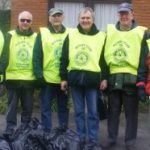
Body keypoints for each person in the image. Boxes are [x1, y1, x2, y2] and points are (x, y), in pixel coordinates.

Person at [102, 2, 148, 150]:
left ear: (132, 14)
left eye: (126, 13)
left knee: (131, 114)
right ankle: (111, 138)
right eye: (121, 13)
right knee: (112, 112)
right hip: (113, 79)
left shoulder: (142, 33)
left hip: (132, 80)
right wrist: (104, 77)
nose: (124, 16)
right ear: (118, 15)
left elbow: (144, 60)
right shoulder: (109, 32)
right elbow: (103, 57)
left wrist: (142, 82)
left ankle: (130, 142)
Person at [60, 7, 107, 150]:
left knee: (93, 112)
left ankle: (92, 140)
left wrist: (104, 78)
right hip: (75, 80)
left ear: (93, 20)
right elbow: (64, 57)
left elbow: (104, 60)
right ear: (79, 19)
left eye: (88, 18)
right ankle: (80, 139)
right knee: (79, 112)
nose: (85, 20)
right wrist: (63, 78)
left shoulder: (101, 36)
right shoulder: (71, 35)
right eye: (82, 18)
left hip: (93, 81)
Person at [0, 11, 37, 136]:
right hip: (13, 78)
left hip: (29, 78)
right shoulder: (9, 35)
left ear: (31, 22)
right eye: (22, 20)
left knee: (28, 107)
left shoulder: (37, 37)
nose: (25, 22)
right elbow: (4, 56)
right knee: (12, 107)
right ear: (18, 20)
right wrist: (1, 73)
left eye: (28, 20)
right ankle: (10, 129)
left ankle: (25, 130)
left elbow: (39, 57)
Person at [33, 8, 69, 133]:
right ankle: (47, 133)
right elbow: (36, 55)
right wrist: (39, 75)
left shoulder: (69, 33)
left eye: (58, 15)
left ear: (63, 17)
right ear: (49, 18)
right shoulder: (42, 33)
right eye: (53, 16)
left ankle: (63, 132)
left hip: (63, 79)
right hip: (47, 79)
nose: (56, 18)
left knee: (63, 108)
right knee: (45, 108)